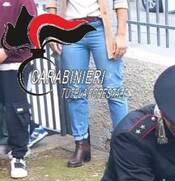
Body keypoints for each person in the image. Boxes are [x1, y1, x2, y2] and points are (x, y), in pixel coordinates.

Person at [47, 0, 129, 167]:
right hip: (69, 30)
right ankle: (81, 144)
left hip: (99, 29)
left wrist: (121, 34)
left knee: (114, 90)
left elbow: (121, 2)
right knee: (75, 90)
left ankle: (123, 148)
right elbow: (52, 3)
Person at [0, 0, 36, 179]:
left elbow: (28, 26)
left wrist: (5, 51)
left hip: (15, 62)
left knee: (16, 109)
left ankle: (19, 155)